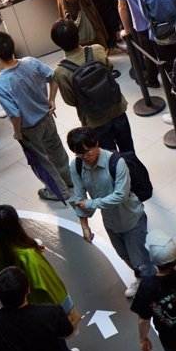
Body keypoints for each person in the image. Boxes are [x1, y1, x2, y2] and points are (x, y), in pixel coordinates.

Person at [66, 127, 152, 297]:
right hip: (111, 222)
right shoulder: (76, 165)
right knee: (124, 255)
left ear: (96, 143)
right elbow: (79, 196)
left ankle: (151, 289)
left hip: (132, 218)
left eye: (87, 152)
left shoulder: (116, 162)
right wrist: (84, 226)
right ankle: (143, 278)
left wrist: (92, 203)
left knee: (140, 259)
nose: (85, 157)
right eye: (79, 154)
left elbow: (120, 195)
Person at [0, 31, 74, 201]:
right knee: (56, 149)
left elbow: (15, 114)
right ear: (13, 47)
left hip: (29, 128)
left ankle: (59, 192)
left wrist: (17, 133)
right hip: (47, 117)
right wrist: (51, 100)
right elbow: (53, 77)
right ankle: (69, 179)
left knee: (42, 160)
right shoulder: (30, 62)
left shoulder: (0, 84)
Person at [49, 19, 134, 153]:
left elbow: (71, 101)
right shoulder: (97, 49)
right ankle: (135, 172)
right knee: (128, 149)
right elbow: (109, 69)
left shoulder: (61, 72)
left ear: (57, 43)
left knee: (110, 157)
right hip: (116, 107)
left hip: (94, 120)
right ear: (78, 35)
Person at [0, 205, 74, 316]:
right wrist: (68, 309)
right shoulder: (29, 256)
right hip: (40, 307)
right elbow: (51, 287)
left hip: (17, 308)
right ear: (17, 225)